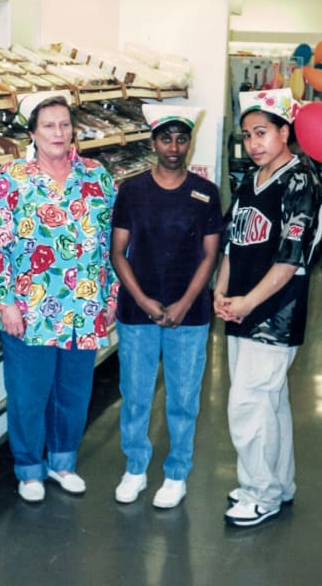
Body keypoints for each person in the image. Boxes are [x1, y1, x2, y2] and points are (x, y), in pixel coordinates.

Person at [0, 91, 118, 503]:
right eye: (49, 126)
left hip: (84, 305)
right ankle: (29, 469)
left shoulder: (96, 176)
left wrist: (113, 294)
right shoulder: (11, 179)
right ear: (33, 133)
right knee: (29, 394)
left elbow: (114, 242)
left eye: (64, 124)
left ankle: (62, 463)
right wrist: (5, 302)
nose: (58, 133)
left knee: (73, 391)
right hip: (30, 308)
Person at [214, 88, 322, 527]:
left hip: (275, 312)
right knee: (269, 402)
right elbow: (233, 242)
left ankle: (260, 494)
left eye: (262, 133)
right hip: (242, 307)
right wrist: (222, 292)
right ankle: (278, 483)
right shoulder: (250, 179)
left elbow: (289, 260)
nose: (253, 143)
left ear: (284, 132)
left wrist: (247, 302)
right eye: (247, 136)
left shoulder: (301, 182)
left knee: (248, 403)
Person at [111, 105, 223, 509]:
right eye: (165, 139)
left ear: (189, 142)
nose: (173, 148)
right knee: (135, 395)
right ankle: (135, 468)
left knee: (183, 399)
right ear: (152, 142)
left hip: (188, 316)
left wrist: (184, 303)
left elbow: (210, 255)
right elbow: (118, 252)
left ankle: (177, 473)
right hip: (136, 312)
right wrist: (144, 301)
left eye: (181, 139)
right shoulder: (132, 190)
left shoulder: (205, 193)